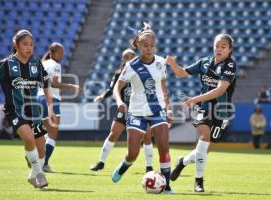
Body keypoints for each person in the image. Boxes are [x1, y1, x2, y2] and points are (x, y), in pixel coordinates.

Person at [0, 30, 56, 188]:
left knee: (41, 149)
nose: (29, 47)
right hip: (15, 111)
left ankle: (32, 175)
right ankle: (40, 174)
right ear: (15, 45)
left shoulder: (36, 64)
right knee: (29, 138)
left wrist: (50, 109)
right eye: (25, 44)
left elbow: (46, 87)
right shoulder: (6, 64)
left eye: (31, 44)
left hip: (34, 111)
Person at [166, 33, 237, 192]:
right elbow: (182, 73)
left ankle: (182, 162)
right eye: (217, 46)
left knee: (203, 151)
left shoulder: (230, 66)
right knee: (204, 139)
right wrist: (172, 64)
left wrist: (194, 98)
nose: (219, 49)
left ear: (229, 50)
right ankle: (198, 181)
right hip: (204, 108)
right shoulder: (204, 62)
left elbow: (220, 91)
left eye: (223, 47)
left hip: (222, 111)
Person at [111, 23, 173, 194]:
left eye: (152, 45)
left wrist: (168, 108)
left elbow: (163, 87)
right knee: (132, 153)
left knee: (164, 146)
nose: (149, 48)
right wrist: (119, 102)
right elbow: (118, 87)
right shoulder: (131, 65)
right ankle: (124, 166)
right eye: (145, 45)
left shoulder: (161, 62)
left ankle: (166, 186)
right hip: (137, 111)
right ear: (137, 45)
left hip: (157, 110)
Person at [90, 49, 154, 173]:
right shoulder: (120, 73)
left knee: (147, 136)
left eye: (129, 56)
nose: (127, 59)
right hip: (125, 108)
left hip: (140, 109)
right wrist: (103, 96)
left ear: (134, 57)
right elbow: (113, 88)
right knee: (113, 133)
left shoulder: (142, 70)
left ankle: (149, 167)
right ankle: (101, 162)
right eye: (125, 57)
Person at [37, 42, 82, 173]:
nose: (62, 55)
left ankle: (36, 156)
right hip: (51, 100)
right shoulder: (56, 65)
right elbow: (55, 84)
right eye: (60, 52)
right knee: (53, 133)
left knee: (46, 131)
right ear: (53, 53)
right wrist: (72, 86)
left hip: (39, 98)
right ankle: (44, 164)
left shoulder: (42, 63)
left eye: (63, 52)